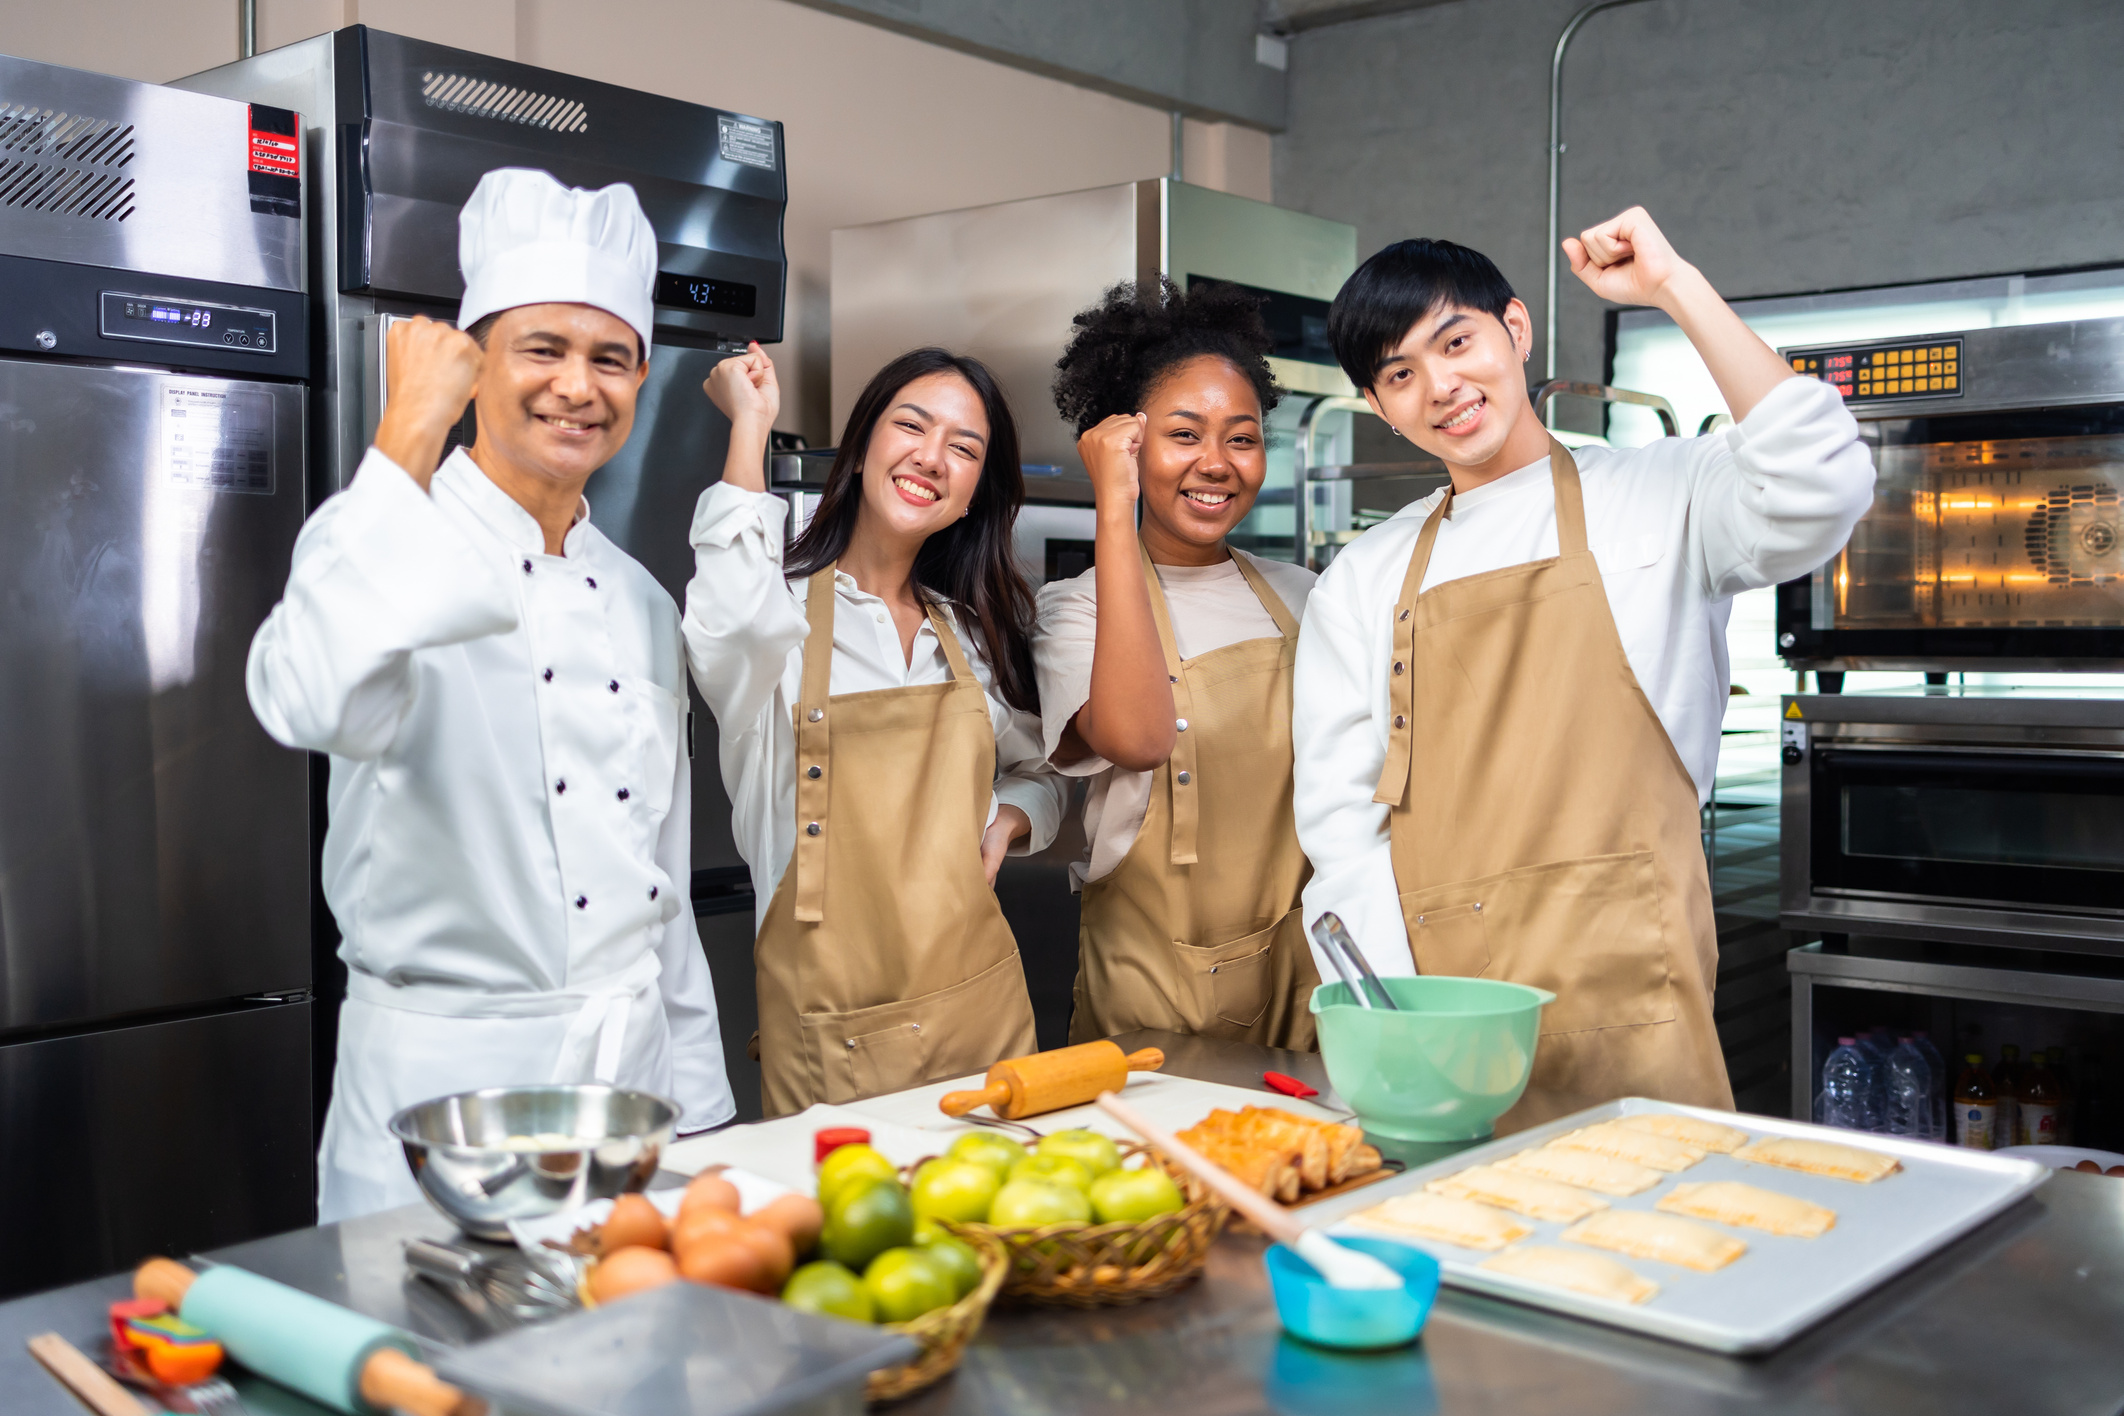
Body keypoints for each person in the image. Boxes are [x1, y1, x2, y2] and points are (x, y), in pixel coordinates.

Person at [1295, 207, 1874, 1109]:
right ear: (1381, 410)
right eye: (1401, 374)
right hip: (1447, 1006)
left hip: (1632, 981)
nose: (1441, 385)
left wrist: (1672, 286)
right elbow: (1341, 831)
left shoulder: (1661, 492)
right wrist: (1401, 1023)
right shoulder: (1363, 577)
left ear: (1515, 330)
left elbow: (1821, 481)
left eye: (1457, 342)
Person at [247, 168, 732, 1220]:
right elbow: (304, 696)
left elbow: (659, 879)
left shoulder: (643, 602)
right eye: (542, 350)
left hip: (629, 1091)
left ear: (642, 383)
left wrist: (700, 1114)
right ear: (475, 367)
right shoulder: (388, 533)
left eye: (611, 358)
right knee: (434, 1378)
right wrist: (406, 432)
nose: (579, 386)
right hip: (441, 1099)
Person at [685, 343, 1064, 1117]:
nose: (933, 457)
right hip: (835, 1049)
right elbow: (727, 620)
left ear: (972, 497)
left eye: (964, 448)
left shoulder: (973, 634)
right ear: (860, 448)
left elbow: (1044, 767)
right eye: (912, 427)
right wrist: (750, 427)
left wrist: (1016, 817)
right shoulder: (775, 619)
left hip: (985, 1025)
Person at [1035, 278, 1321, 1049]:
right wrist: (1111, 503)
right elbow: (1136, 737)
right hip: (1152, 997)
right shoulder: (1077, 608)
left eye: (1242, 436)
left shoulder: (1304, 597)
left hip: (1305, 982)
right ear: (1126, 443)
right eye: (1185, 434)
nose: (1218, 463)